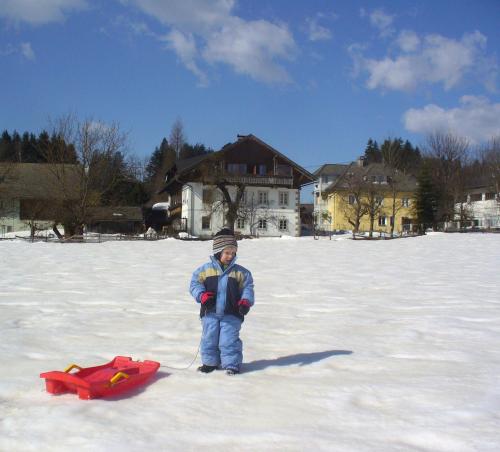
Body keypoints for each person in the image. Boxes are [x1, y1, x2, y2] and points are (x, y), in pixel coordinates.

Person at [190, 228, 254, 375]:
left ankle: (231, 365)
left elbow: (248, 288)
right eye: (227, 253)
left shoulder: (241, 272)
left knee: (228, 340)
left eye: (233, 253)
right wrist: (202, 296)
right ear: (218, 252)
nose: (230, 256)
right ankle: (209, 363)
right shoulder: (205, 270)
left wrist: (245, 301)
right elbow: (194, 284)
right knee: (209, 339)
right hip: (210, 313)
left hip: (232, 313)